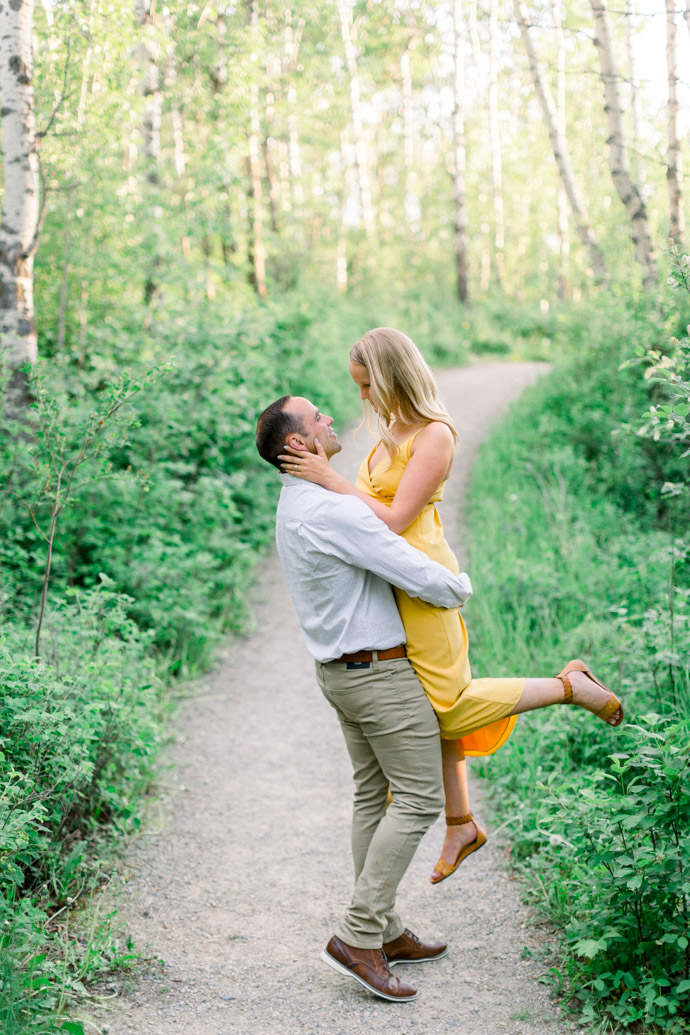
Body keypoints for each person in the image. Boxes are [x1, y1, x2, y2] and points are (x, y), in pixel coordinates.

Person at [278, 327, 624, 885]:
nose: (362, 399)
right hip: (392, 587)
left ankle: (568, 686)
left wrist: (328, 478)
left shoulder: (434, 436)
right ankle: (460, 822)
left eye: (367, 386)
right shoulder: (391, 430)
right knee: (427, 709)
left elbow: (391, 521)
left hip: (422, 585)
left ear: (392, 377)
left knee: (449, 706)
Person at [255, 393, 475, 1003]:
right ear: (298, 445)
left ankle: (386, 928)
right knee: (421, 796)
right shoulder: (330, 510)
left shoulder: (300, 500)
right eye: (316, 416)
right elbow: (408, 565)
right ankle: (357, 936)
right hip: (376, 676)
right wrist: (460, 587)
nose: (329, 417)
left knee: (373, 796)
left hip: (340, 673)